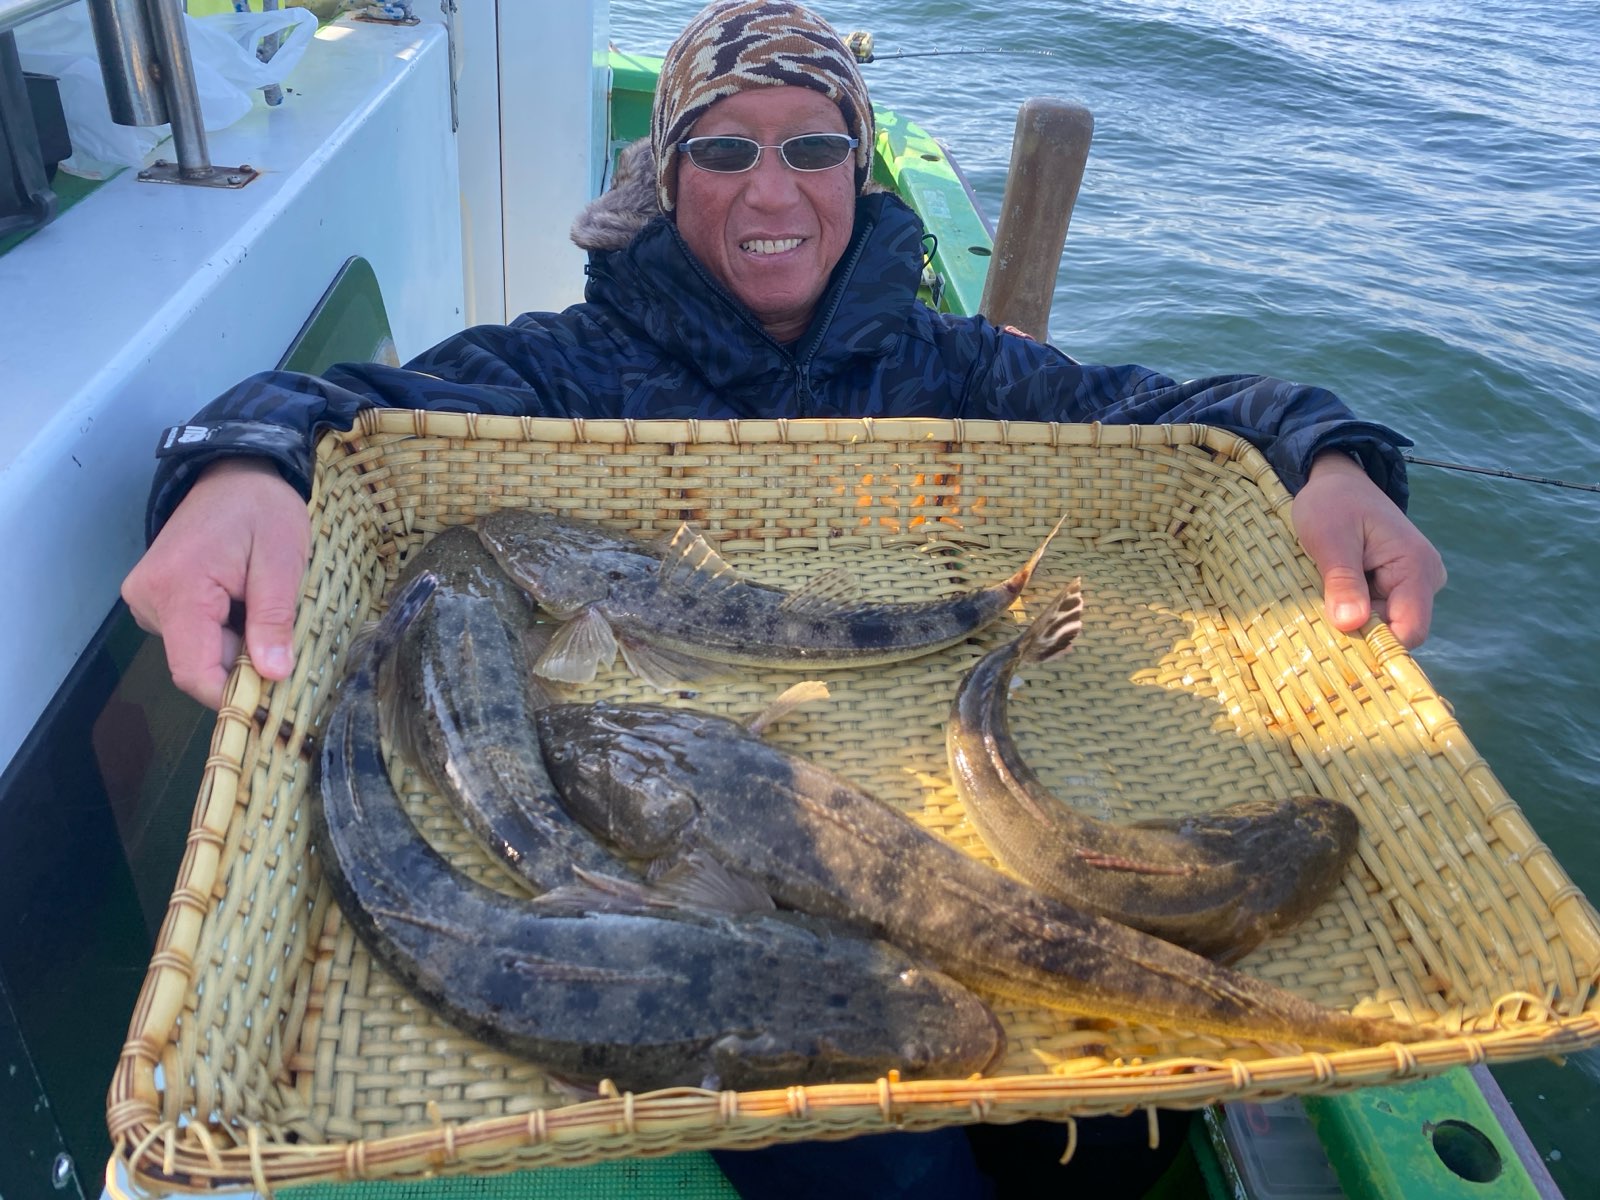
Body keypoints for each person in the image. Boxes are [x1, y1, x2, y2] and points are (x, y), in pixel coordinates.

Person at [121, 1, 1445, 1194]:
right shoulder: (571, 374)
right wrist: (240, 466)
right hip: (754, 943)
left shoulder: (957, 367)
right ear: (664, 173)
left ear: (859, 170)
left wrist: (1331, 458)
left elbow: (1187, 413)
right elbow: (337, 408)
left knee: (1112, 1136)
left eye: (813, 147)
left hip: (884, 814)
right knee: (891, 1172)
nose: (773, 186)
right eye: (724, 148)